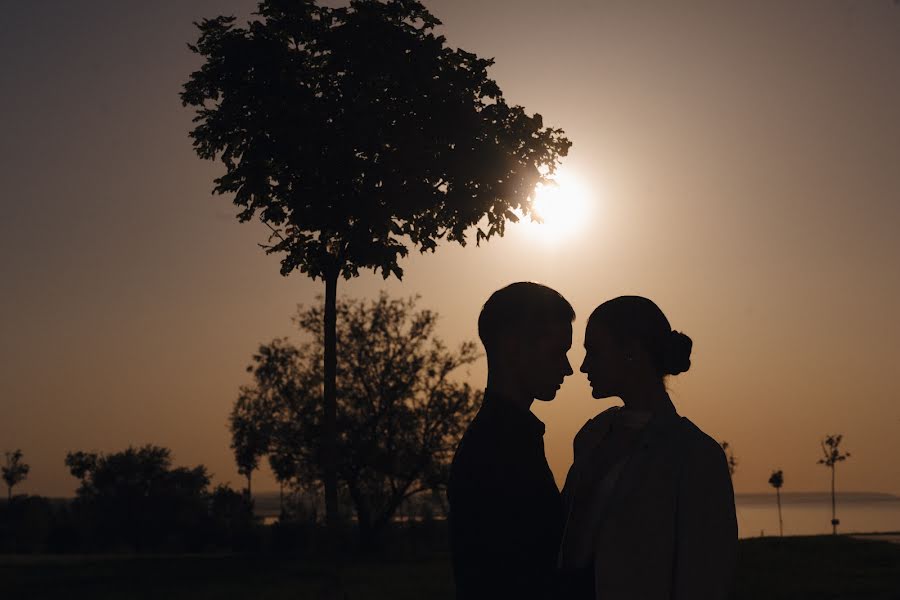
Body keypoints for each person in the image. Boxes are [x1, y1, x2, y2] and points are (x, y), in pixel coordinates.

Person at [559, 296, 737, 600]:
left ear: (631, 352)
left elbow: (705, 576)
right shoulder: (591, 436)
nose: (584, 366)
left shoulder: (696, 456)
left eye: (594, 352)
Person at [448, 282, 575, 600]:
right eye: (558, 352)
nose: (568, 368)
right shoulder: (499, 450)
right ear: (513, 346)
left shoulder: (504, 438)